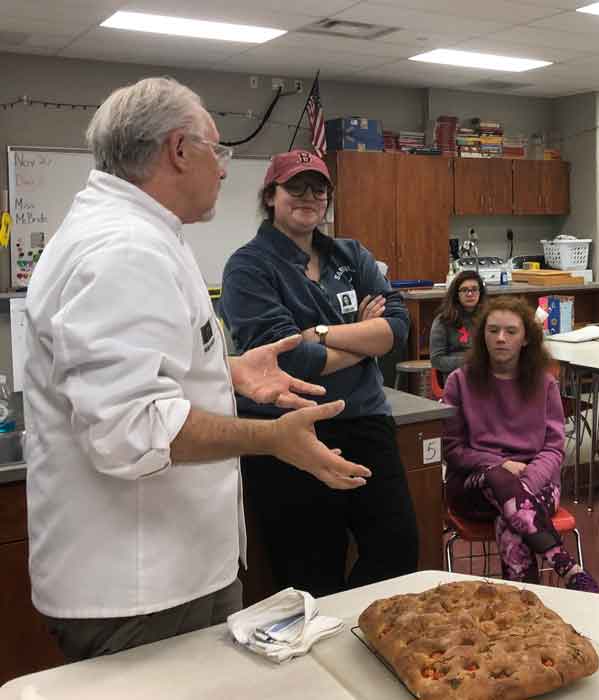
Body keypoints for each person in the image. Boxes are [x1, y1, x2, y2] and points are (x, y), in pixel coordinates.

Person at [23, 77, 369, 662]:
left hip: (161, 574)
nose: (226, 169)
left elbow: (135, 373)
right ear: (179, 151)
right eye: (218, 150)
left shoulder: (139, 234)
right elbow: (130, 429)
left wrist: (227, 370)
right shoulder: (125, 249)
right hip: (142, 590)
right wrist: (271, 439)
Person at [220, 150, 419, 597]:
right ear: (270, 196)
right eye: (295, 187)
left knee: (397, 552)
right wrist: (365, 343)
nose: (308, 197)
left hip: (366, 421)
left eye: (318, 188)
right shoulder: (248, 267)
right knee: (310, 575)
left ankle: (357, 638)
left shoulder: (351, 254)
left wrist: (323, 333)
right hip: (290, 431)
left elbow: (399, 328)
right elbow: (288, 362)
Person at [442, 297, 599, 592]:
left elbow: (554, 448)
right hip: (473, 486)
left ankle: (524, 609)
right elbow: (453, 450)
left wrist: (523, 484)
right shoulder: (458, 382)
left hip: (534, 484)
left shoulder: (544, 384)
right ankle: (568, 568)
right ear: (482, 336)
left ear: (526, 338)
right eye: (493, 330)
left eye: (511, 331)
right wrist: (501, 467)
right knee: (499, 482)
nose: (501, 338)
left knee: (510, 520)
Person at [430, 270, 487, 386]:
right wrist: (468, 362)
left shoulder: (488, 318)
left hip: (484, 373)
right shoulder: (444, 320)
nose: (470, 294)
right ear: (456, 294)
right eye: (465, 290)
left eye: (474, 289)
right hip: (456, 377)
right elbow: (436, 360)